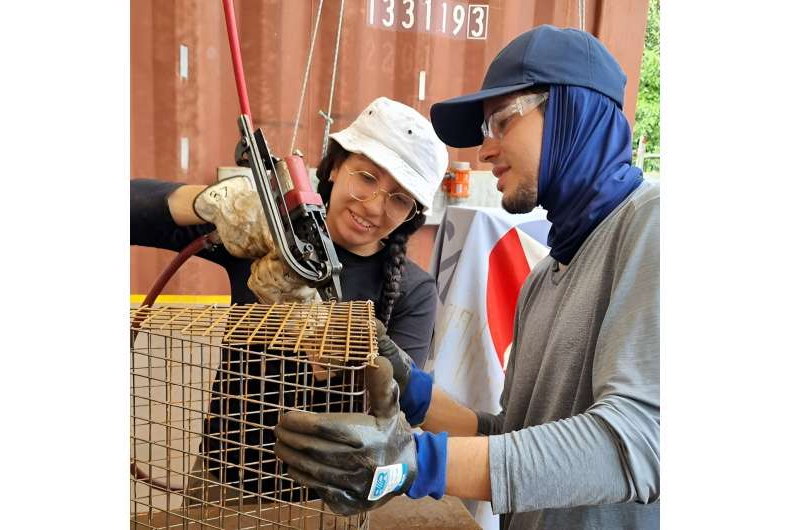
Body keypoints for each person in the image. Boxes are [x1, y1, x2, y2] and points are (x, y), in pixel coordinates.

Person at [273, 25, 660, 529]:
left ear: (573, 110)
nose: (486, 151)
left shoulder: (653, 225)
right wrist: (411, 387)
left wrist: (419, 463)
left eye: (501, 122)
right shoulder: (544, 278)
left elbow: (638, 442)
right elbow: (512, 436)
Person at [130, 96, 448, 500]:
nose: (373, 205)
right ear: (334, 167)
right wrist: (214, 201)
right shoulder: (269, 236)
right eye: (366, 177)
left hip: (332, 500)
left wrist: (322, 332)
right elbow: (131, 209)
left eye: (399, 198)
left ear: (412, 215)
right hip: (224, 478)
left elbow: (394, 410)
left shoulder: (413, 289)